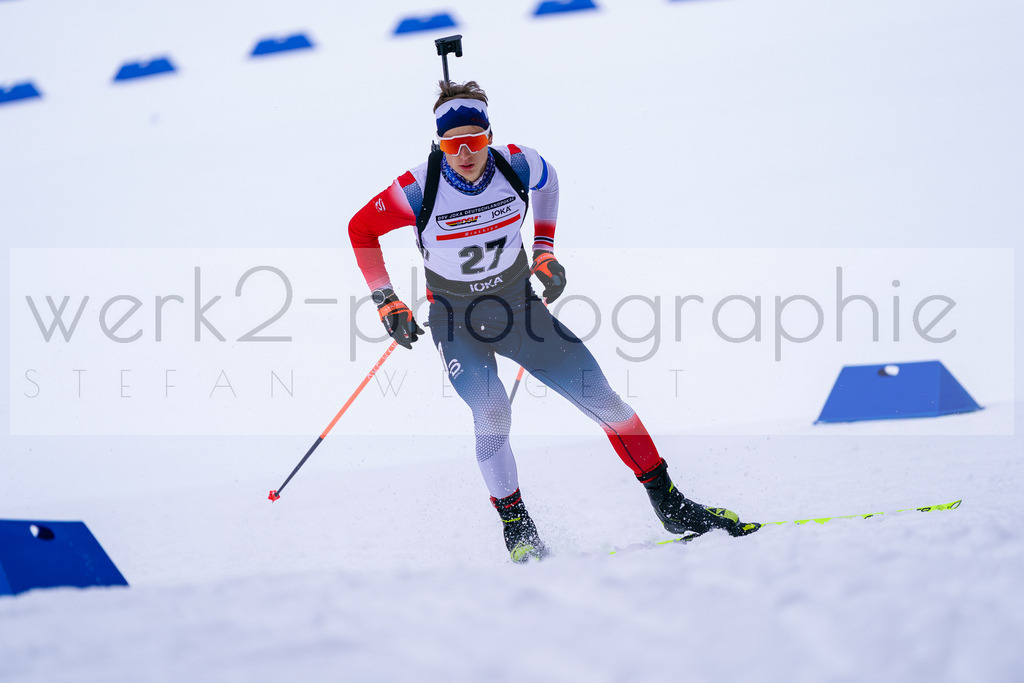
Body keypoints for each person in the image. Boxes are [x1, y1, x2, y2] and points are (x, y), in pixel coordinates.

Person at [348, 80, 759, 562]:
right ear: (438, 144)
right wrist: (386, 300)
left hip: (521, 312)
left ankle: (670, 503)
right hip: (456, 322)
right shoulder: (417, 188)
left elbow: (550, 182)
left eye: (474, 140)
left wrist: (544, 250)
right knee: (492, 411)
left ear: (489, 136)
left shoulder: (519, 164)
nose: (464, 153)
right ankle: (517, 528)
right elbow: (361, 228)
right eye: (451, 144)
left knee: (607, 402)